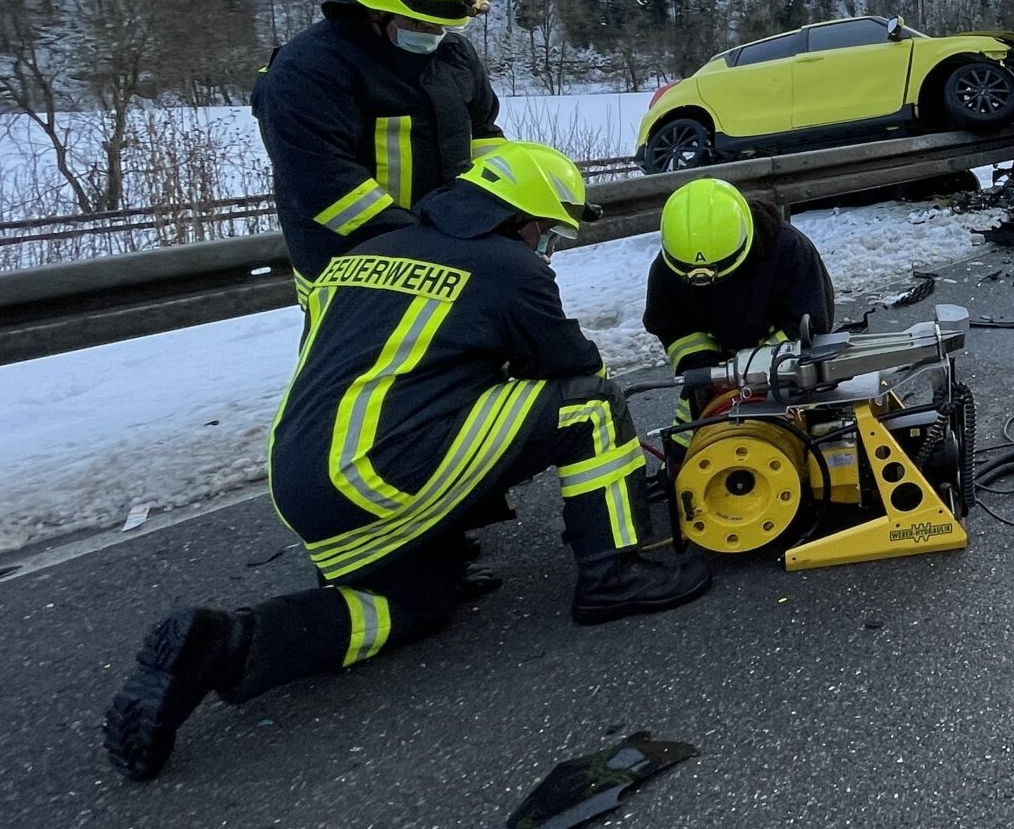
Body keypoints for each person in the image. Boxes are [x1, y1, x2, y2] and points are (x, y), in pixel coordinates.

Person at [103, 143, 711, 782]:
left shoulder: (362, 253)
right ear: (522, 219)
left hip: (302, 482)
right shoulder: (509, 266)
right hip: (382, 472)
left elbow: (389, 375)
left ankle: (225, 645)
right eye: (549, 233)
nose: (548, 249)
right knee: (590, 405)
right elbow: (574, 367)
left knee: (416, 603)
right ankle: (613, 575)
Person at [253, 0, 505, 314]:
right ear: (372, 11)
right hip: (353, 271)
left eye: (442, 25)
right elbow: (328, 186)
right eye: (422, 24)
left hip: (451, 256)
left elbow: (484, 135)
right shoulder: (306, 72)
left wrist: (497, 213)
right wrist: (426, 244)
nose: (436, 34)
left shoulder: (452, 55)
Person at [643, 178, 837, 422]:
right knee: (694, 437)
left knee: (801, 433)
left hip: (786, 369)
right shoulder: (670, 265)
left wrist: (751, 368)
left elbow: (809, 326)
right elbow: (670, 325)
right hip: (713, 374)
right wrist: (704, 368)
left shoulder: (789, 251)